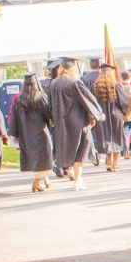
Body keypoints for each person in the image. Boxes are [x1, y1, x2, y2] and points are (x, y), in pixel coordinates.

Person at [50, 57, 104, 190]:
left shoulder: (54, 83)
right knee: (80, 150)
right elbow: (86, 99)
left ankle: (73, 174)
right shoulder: (74, 82)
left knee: (68, 149)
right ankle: (78, 179)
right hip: (78, 122)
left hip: (61, 123)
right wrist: (98, 113)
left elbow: (50, 104)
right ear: (72, 68)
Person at [7, 73, 54, 192]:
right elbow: (48, 114)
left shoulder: (18, 99)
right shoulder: (41, 96)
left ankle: (44, 178)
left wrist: (14, 133)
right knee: (44, 157)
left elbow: (14, 118)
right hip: (40, 132)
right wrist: (52, 123)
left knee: (37, 158)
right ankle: (36, 182)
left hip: (25, 133)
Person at [92, 64, 131, 173]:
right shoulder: (116, 86)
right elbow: (123, 102)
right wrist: (125, 111)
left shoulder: (96, 87)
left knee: (106, 138)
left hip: (102, 116)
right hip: (116, 115)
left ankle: (108, 162)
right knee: (116, 138)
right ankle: (115, 163)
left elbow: (93, 103)